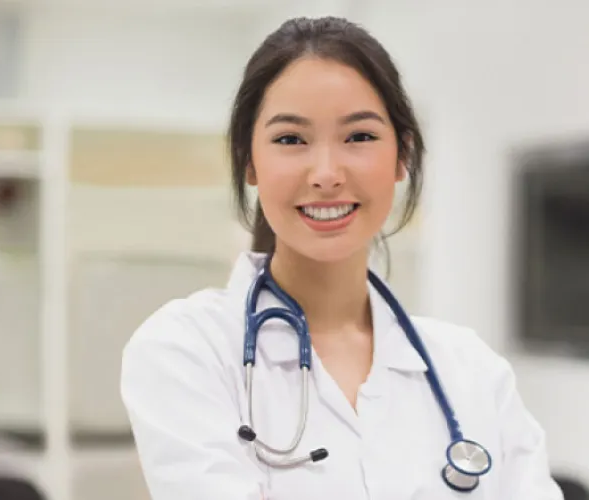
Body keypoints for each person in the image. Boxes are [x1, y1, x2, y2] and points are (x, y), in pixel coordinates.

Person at [119, 16, 564, 500]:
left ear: (402, 157)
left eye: (359, 137)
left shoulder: (473, 373)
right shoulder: (187, 351)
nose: (327, 173)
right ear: (249, 160)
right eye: (291, 139)